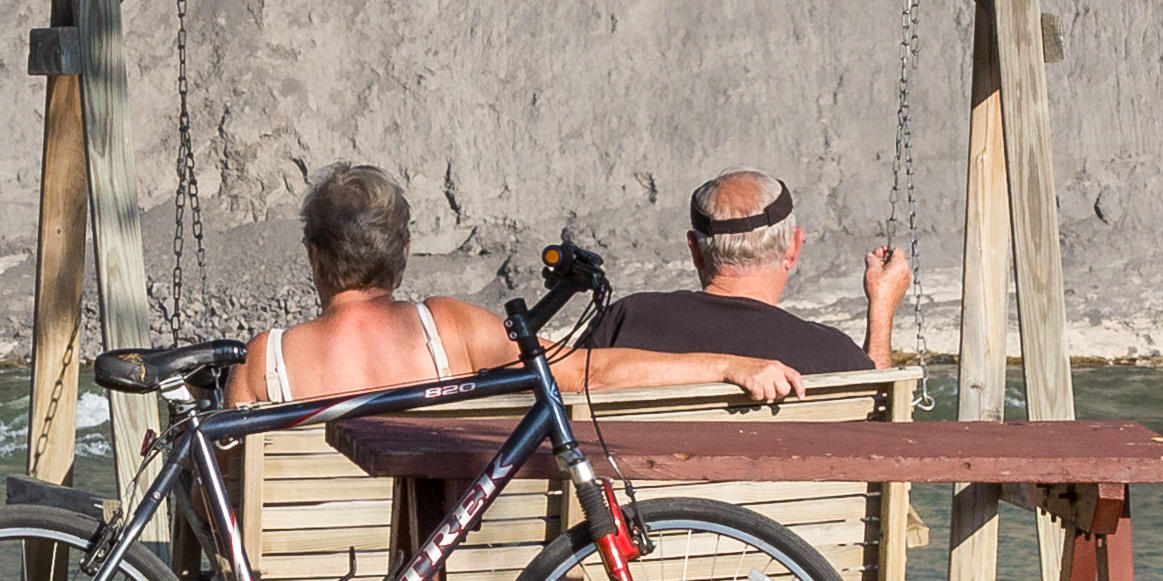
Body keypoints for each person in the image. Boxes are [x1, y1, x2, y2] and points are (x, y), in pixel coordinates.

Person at [238, 164, 820, 406]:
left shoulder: (266, 360)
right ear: (404, 252)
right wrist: (725, 367)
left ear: (315, 257)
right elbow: (588, 372)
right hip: (434, 572)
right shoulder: (450, 328)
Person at [584, 171, 911, 375]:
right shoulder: (833, 353)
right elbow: (879, 417)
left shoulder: (628, 320)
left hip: (639, 489)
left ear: (695, 249)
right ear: (793, 248)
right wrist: (881, 308)